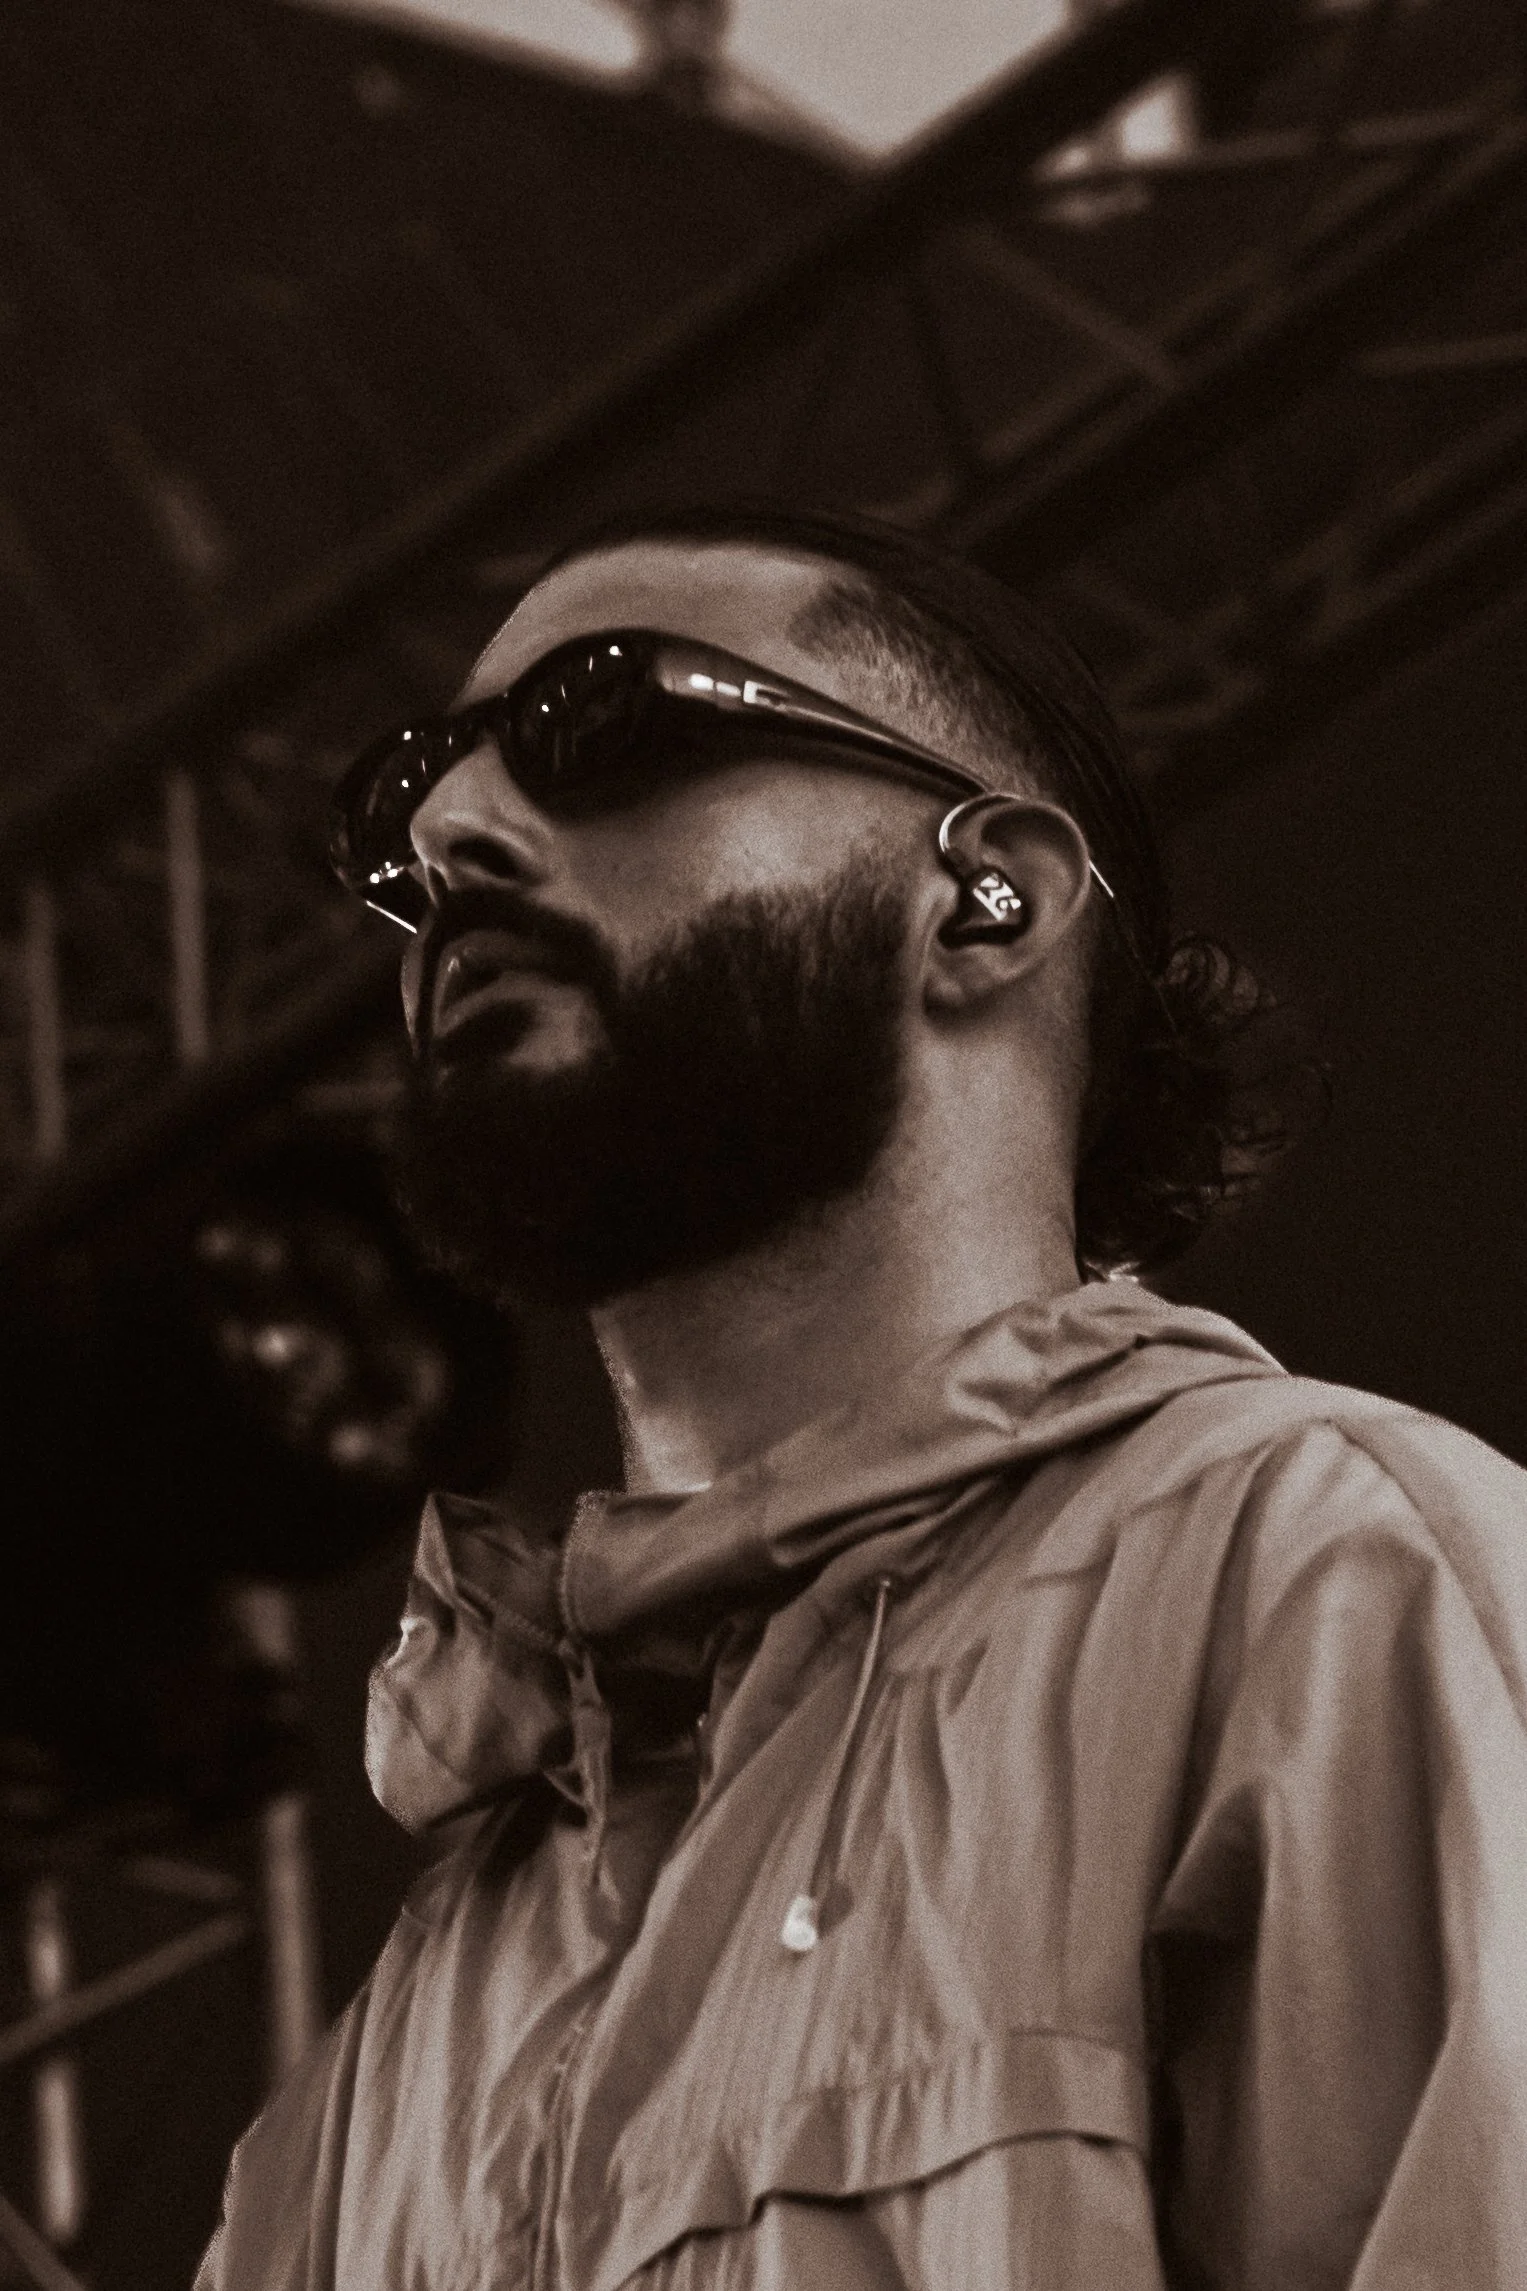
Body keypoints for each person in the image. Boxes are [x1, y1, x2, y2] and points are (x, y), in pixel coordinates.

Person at [198, 507, 1527, 2289]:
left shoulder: (1332, 1576)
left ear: (989, 901)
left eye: (609, 723)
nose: (449, 835)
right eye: (406, 805)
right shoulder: (392, 2044)